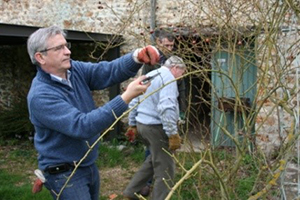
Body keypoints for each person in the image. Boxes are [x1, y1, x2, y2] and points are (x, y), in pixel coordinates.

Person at [26, 25, 160, 200]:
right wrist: (126, 97)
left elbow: (107, 71)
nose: (67, 52)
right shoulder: (41, 96)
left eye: (66, 46)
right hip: (65, 173)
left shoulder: (73, 70)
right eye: (59, 48)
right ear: (40, 57)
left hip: (87, 164)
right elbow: (83, 126)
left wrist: (136, 57)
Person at [123, 56, 186, 200]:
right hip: (156, 128)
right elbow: (167, 107)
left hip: (142, 125)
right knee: (165, 170)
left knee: (153, 160)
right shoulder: (168, 79)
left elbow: (134, 99)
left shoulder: (151, 75)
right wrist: (172, 134)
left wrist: (132, 124)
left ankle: (131, 191)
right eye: (181, 73)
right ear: (175, 68)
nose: (180, 77)